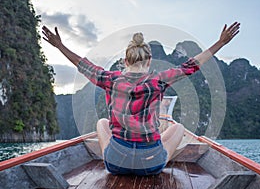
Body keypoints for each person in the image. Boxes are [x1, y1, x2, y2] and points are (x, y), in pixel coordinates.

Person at [42, 22, 240, 175]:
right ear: (150, 61)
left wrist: (60, 46)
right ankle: (153, 155)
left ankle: (113, 156)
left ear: (125, 61)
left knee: (102, 123)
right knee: (178, 128)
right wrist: (220, 43)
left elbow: (82, 64)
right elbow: (191, 65)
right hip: (151, 167)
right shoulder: (159, 80)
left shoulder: (111, 79)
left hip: (115, 165)